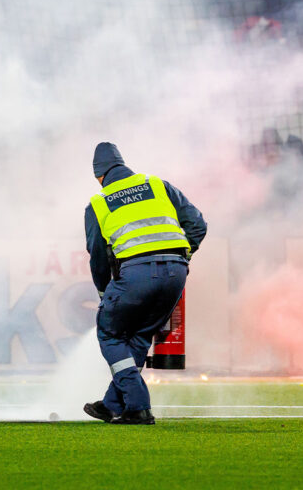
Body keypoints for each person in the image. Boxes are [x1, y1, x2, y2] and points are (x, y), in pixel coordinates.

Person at [82, 143, 207, 425]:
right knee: (138, 337)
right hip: (176, 272)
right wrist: (182, 256)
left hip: (136, 273)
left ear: (99, 176)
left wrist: (104, 293)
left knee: (110, 333)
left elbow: (98, 258)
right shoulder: (158, 185)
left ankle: (138, 406)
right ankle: (112, 404)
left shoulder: (98, 203)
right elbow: (198, 225)